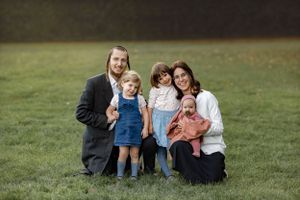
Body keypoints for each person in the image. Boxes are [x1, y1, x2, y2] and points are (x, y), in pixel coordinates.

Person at [75, 46, 156, 176]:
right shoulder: (94, 83)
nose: (119, 64)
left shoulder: (132, 83)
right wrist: (107, 119)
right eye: (116, 59)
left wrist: (143, 122)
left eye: (123, 60)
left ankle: (148, 171)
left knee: (150, 140)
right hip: (105, 137)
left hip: (129, 132)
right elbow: (81, 113)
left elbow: (143, 107)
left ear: (127, 63)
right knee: (106, 171)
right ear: (108, 60)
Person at [168, 60, 227, 184]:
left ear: (190, 75)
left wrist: (194, 128)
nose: (181, 80)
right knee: (177, 146)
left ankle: (214, 171)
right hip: (191, 149)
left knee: (212, 179)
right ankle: (193, 173)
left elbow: (219, 128)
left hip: (210, 148)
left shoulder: (206, 97)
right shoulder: (179, 103)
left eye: (183, 75)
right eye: (176, 77)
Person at [106, 70, 149, 180]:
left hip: (135, 131)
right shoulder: (117, 98)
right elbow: (109, 110)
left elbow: (145, 113)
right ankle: (120, 175)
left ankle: (134, 175)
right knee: (123, 153)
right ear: (123, 83)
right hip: (122, 131)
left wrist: (145, 128)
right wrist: (111, 116)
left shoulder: (139, 99)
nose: (132, 89)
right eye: (130, 85)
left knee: (134, 154)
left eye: (135, 87)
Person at [148, 62, 180, 179]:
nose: (164, 79)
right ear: (157, 81)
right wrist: (150, 124)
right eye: (160, 78)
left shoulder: (176, 86)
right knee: (161, 147)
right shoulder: (156, 89)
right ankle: (168, 174)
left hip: (174, 119)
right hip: (159, 120)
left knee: (171, 145)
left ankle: (166, 168)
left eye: (165, 75)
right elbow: (150, 107)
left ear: (170, 73)